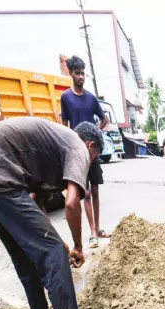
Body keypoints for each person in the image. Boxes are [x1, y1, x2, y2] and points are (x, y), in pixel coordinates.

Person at [0, 118, 102, 309]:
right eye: (94, 158)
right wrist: (76, 246)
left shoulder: (56, 150)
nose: (90, 165)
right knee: (52, 250)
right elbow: (72, 203)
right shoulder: (78, 147)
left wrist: (55, 237)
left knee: (23, 249)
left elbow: (36, 202)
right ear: (90, 146)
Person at [60, 55, 110, 249]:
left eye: (83, 73)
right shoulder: (66, 97)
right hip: (76, 152)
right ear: (70, 73)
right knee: (86, 192)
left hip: (92, 151)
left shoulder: (90, 98)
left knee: (95, 189)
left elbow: (104, 119)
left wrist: (95, 133)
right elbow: (64, 126)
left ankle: (97, 229)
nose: (81, 77)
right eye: (77, 73)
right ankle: (91, 234)